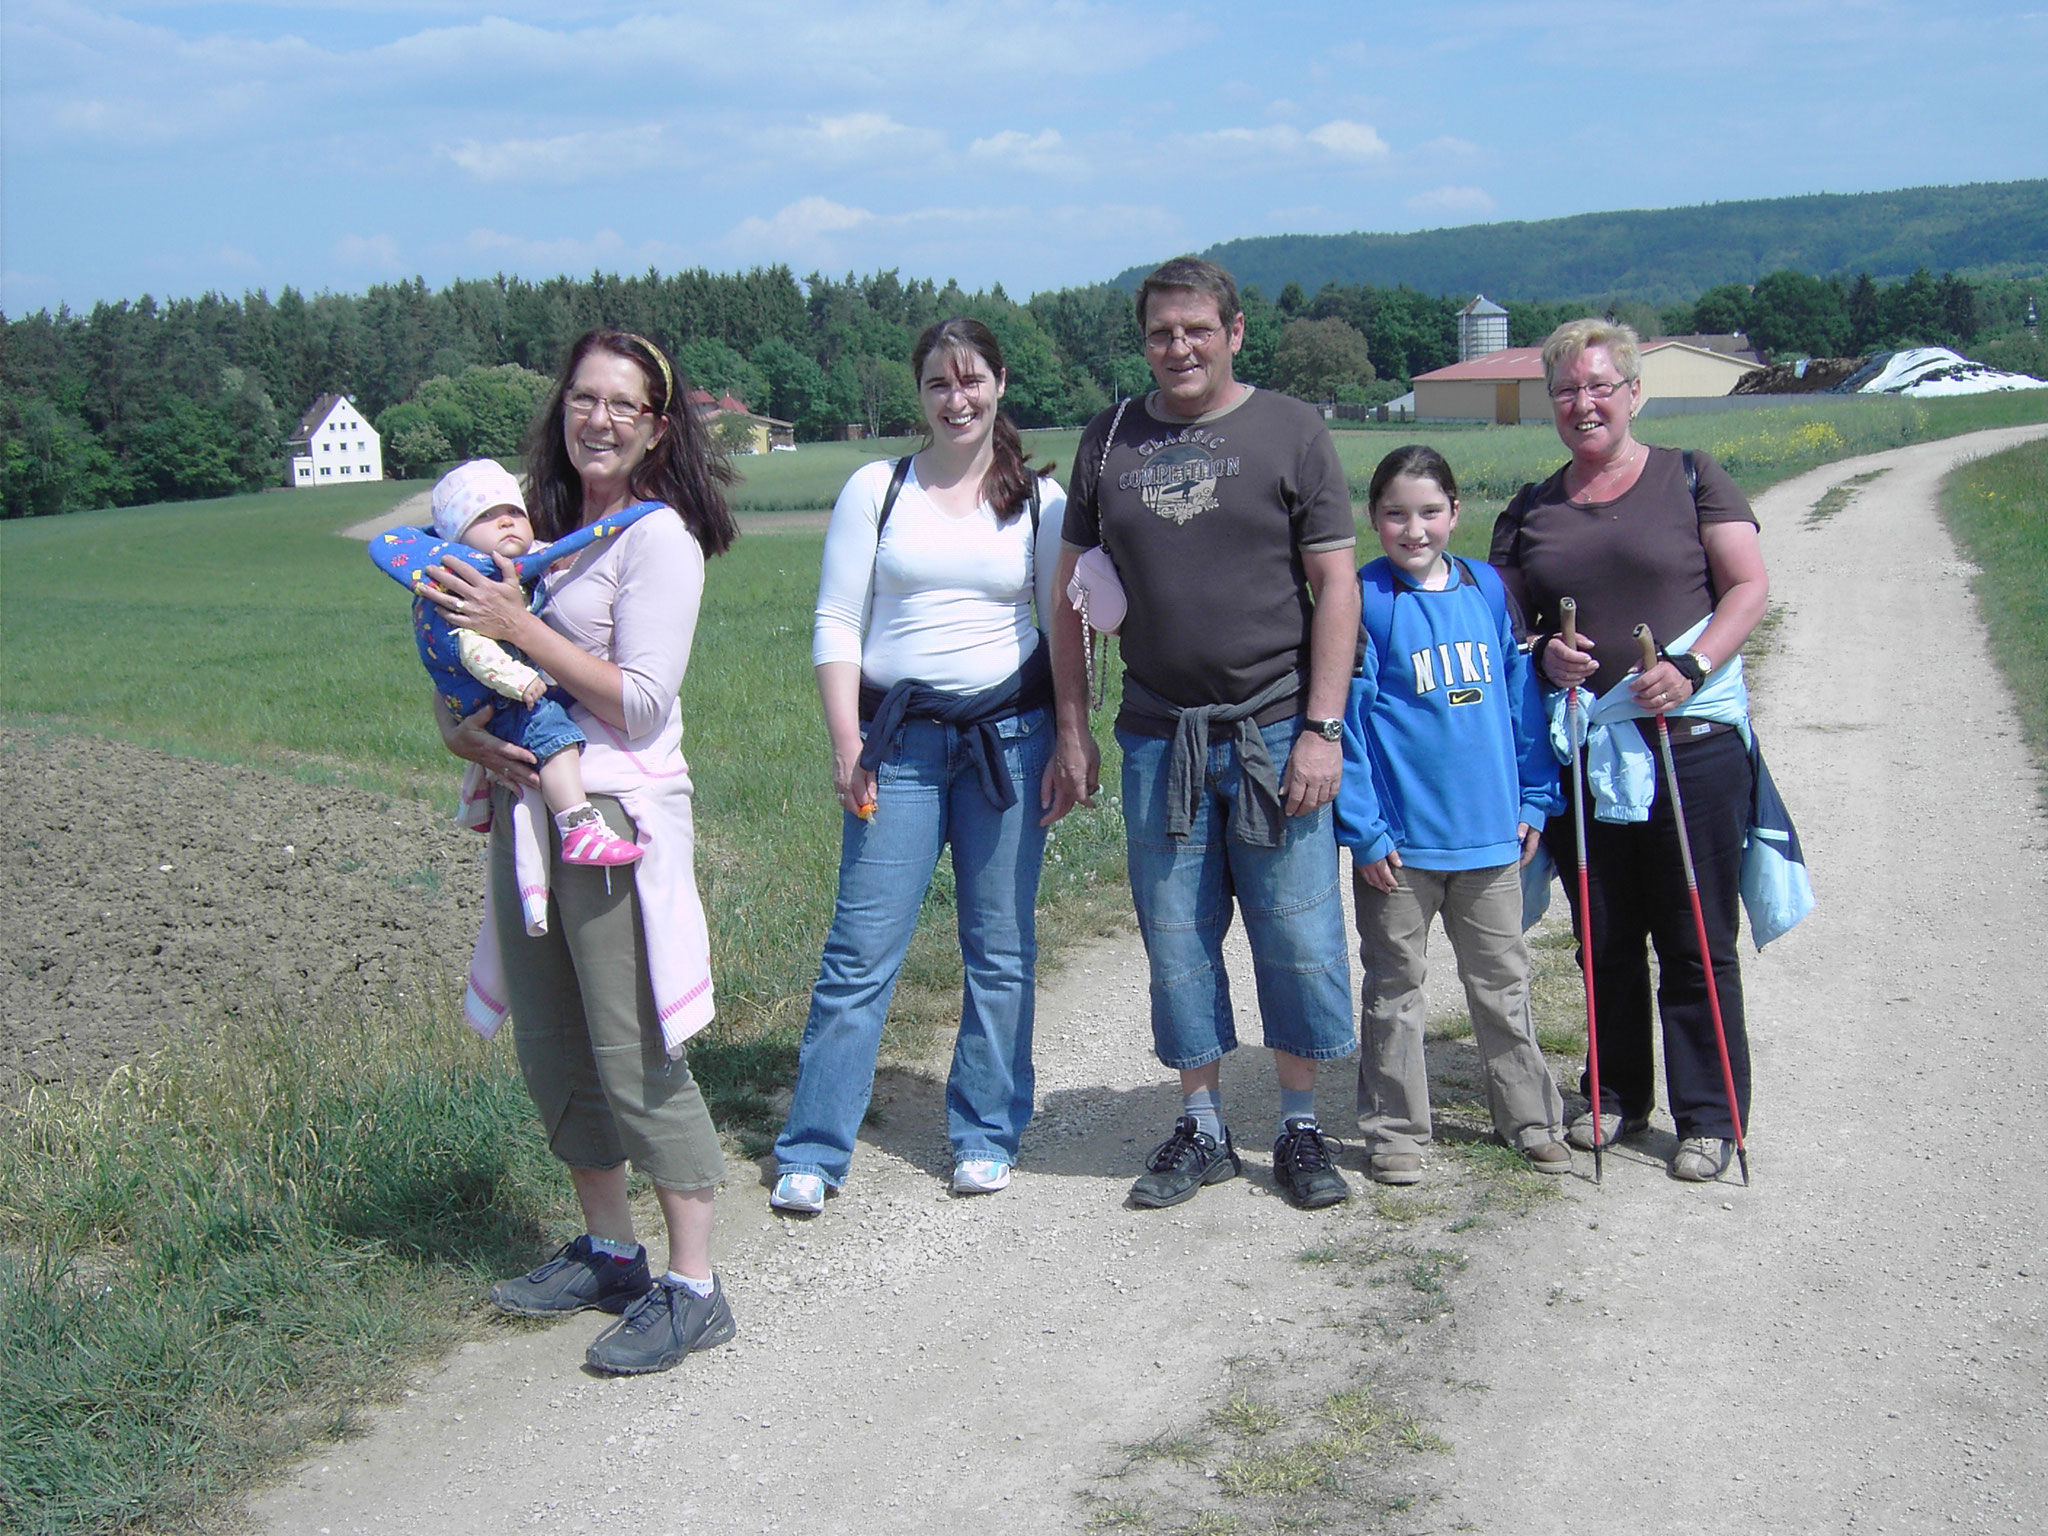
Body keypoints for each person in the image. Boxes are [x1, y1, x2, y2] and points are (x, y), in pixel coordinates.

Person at [426, 328, 745, 1370]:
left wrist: (519, 628)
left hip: (610, 821)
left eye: (623, 404)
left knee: (631, 1043)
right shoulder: (541, 528)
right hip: (529, 815)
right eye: (582, 399)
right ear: (559, 410)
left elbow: (641, 705)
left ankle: (693, 1283)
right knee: (555, 1042)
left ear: (656, 428)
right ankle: (613, 1251)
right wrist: (457, 726)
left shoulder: (659, 541)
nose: (597, 419)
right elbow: (479, 666)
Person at [1052, 257, 1361, 1211]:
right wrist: (1074, 726)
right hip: (1157, 733)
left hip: (1275, 730)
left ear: (1234, 332)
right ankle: (1203, 1125)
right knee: (1177, 935)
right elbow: (1064, 595)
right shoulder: (1109, 440)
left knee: (1298, 931)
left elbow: (1337, 586)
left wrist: (1322, 728)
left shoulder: (1292, 429)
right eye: (1159, 333)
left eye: (1196, 329)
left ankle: (1302, 1128)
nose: (1177, 348)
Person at [769, 318, 1070, 1212]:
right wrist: (845, 742)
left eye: (972, 380)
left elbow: (1062, 631)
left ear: (1001, 385)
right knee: (859, 953)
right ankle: (813, 1150)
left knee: (1001, 948)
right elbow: (836, 620)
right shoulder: (878, 489)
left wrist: (1073, 740)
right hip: (893, 750)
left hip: (1009, 743)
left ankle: (984, 1133)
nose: (957, 398)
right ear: (921, 394)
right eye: (940, 383)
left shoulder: (1038, 503)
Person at [1489, 318, 1770, 1183]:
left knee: (1693, 933)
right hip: (1588, 750)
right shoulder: (1531, 510)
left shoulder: (1692, 478)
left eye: (1600, 386)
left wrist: (1689, 665)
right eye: (1567, 389)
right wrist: (1543, 655)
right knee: (1603, 935)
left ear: (1634, 392)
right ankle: (1613, 1094)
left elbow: (1749, 586)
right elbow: (1507, 625)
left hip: (1689, 745)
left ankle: (1710, 1116)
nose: (1584, 404)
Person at [1334, 446, 1570, 1185]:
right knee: (1396, 989)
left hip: (1492, 839)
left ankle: (1531, 1118)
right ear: (1373, 519)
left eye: (1430, 512)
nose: (1414, 529)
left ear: (1455, 513)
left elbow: (1519, 700)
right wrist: (1364, 829)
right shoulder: (1363, 598)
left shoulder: (1487, 588)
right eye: (1396, 514)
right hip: (1400, 850)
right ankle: (1396, 1131)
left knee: (1502, 984)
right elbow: (1342, 723)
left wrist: (1536, 795)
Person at [399, 459, 641, 868]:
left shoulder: (510, 565)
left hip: (501, 695)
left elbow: (548, 554)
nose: (506, 522)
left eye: (513, 512)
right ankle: (578, 826)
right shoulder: (462, 587)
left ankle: (488, 802)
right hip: (505, 694)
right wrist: (519, 680)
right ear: (456, 539)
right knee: (553, 734)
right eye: (485, 516)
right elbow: (472, 647)